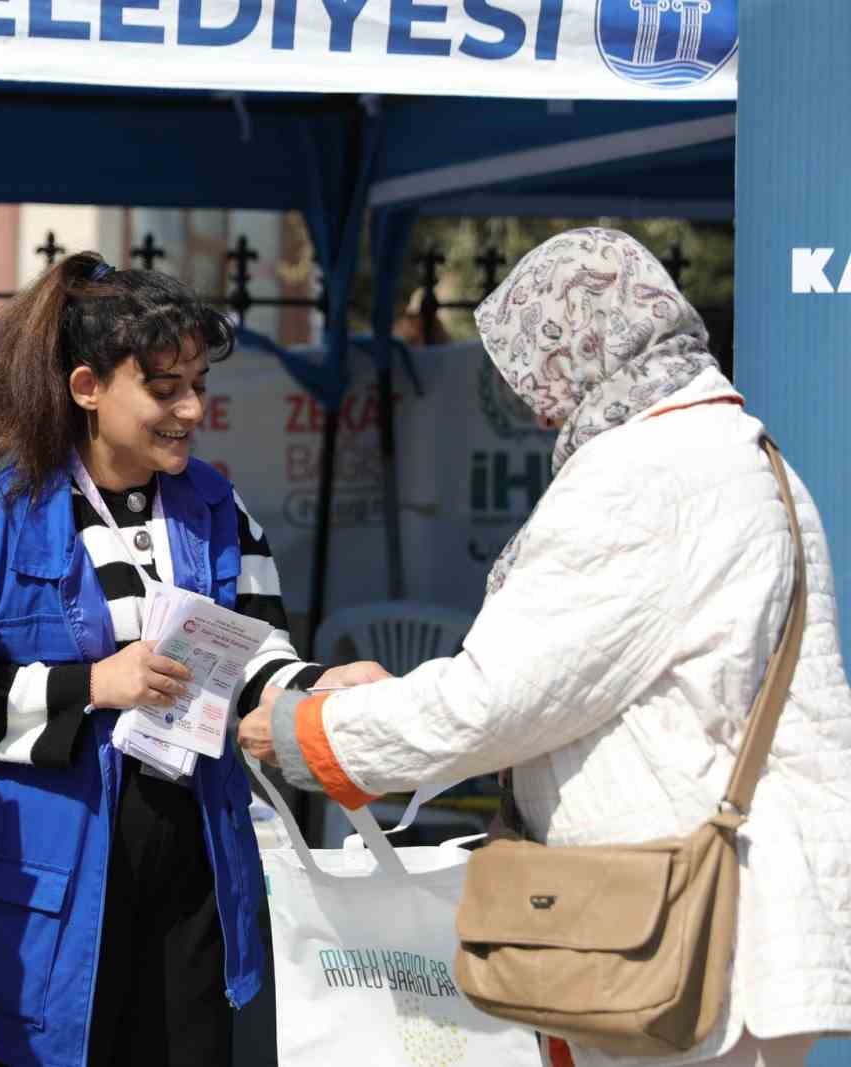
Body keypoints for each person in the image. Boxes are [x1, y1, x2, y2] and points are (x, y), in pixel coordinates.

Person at [242, 228, 851, 1067]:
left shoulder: (640, 474)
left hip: (663, 936)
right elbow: (589, 680)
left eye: (535, 369)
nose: (534, 402)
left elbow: (502, 700)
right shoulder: (750, 456)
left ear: (584, 345)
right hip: (743, 916)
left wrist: (309, 731)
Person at [0, 252, 378, 1067]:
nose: (190, 408)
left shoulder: (220, 509)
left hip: (188, 875)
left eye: (197, 384)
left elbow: (258, 655)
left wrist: (318, 685)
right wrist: (95, 684)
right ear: (87, 387)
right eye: (164, 388)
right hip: (45, 896)